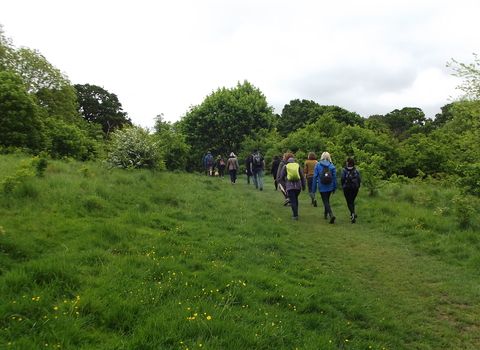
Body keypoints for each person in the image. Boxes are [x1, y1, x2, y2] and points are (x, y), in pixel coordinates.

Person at [312, 151, 338, 223]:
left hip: (322, 185)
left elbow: (315, 177)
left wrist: (313, 189)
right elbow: (334, 177)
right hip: (330, 185)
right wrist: (335, 187)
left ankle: (331, 214)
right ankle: (325, 215)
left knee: (325, 201)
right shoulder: (332, 166)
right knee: (327, 200)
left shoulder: (318, 165)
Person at [279, 153, 306, 220]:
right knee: (295, 199)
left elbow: (281, 176)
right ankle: (296, 212)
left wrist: (285, 180)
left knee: (293, 200)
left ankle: (295, 215)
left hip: (290, 186)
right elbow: (302, 177)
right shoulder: (298, 165)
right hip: (298, 186)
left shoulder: (285, 166)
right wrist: (303, 185)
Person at [341, 157, 361, 223]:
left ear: (348, 162)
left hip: (347, 188)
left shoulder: (344, 170)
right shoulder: (356, 170)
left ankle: (352, 214)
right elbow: (359, 179)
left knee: (349, 202)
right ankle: (353, 213)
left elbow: (342, 179)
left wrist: (343, 185)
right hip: (355, 188)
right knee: (352, 201)